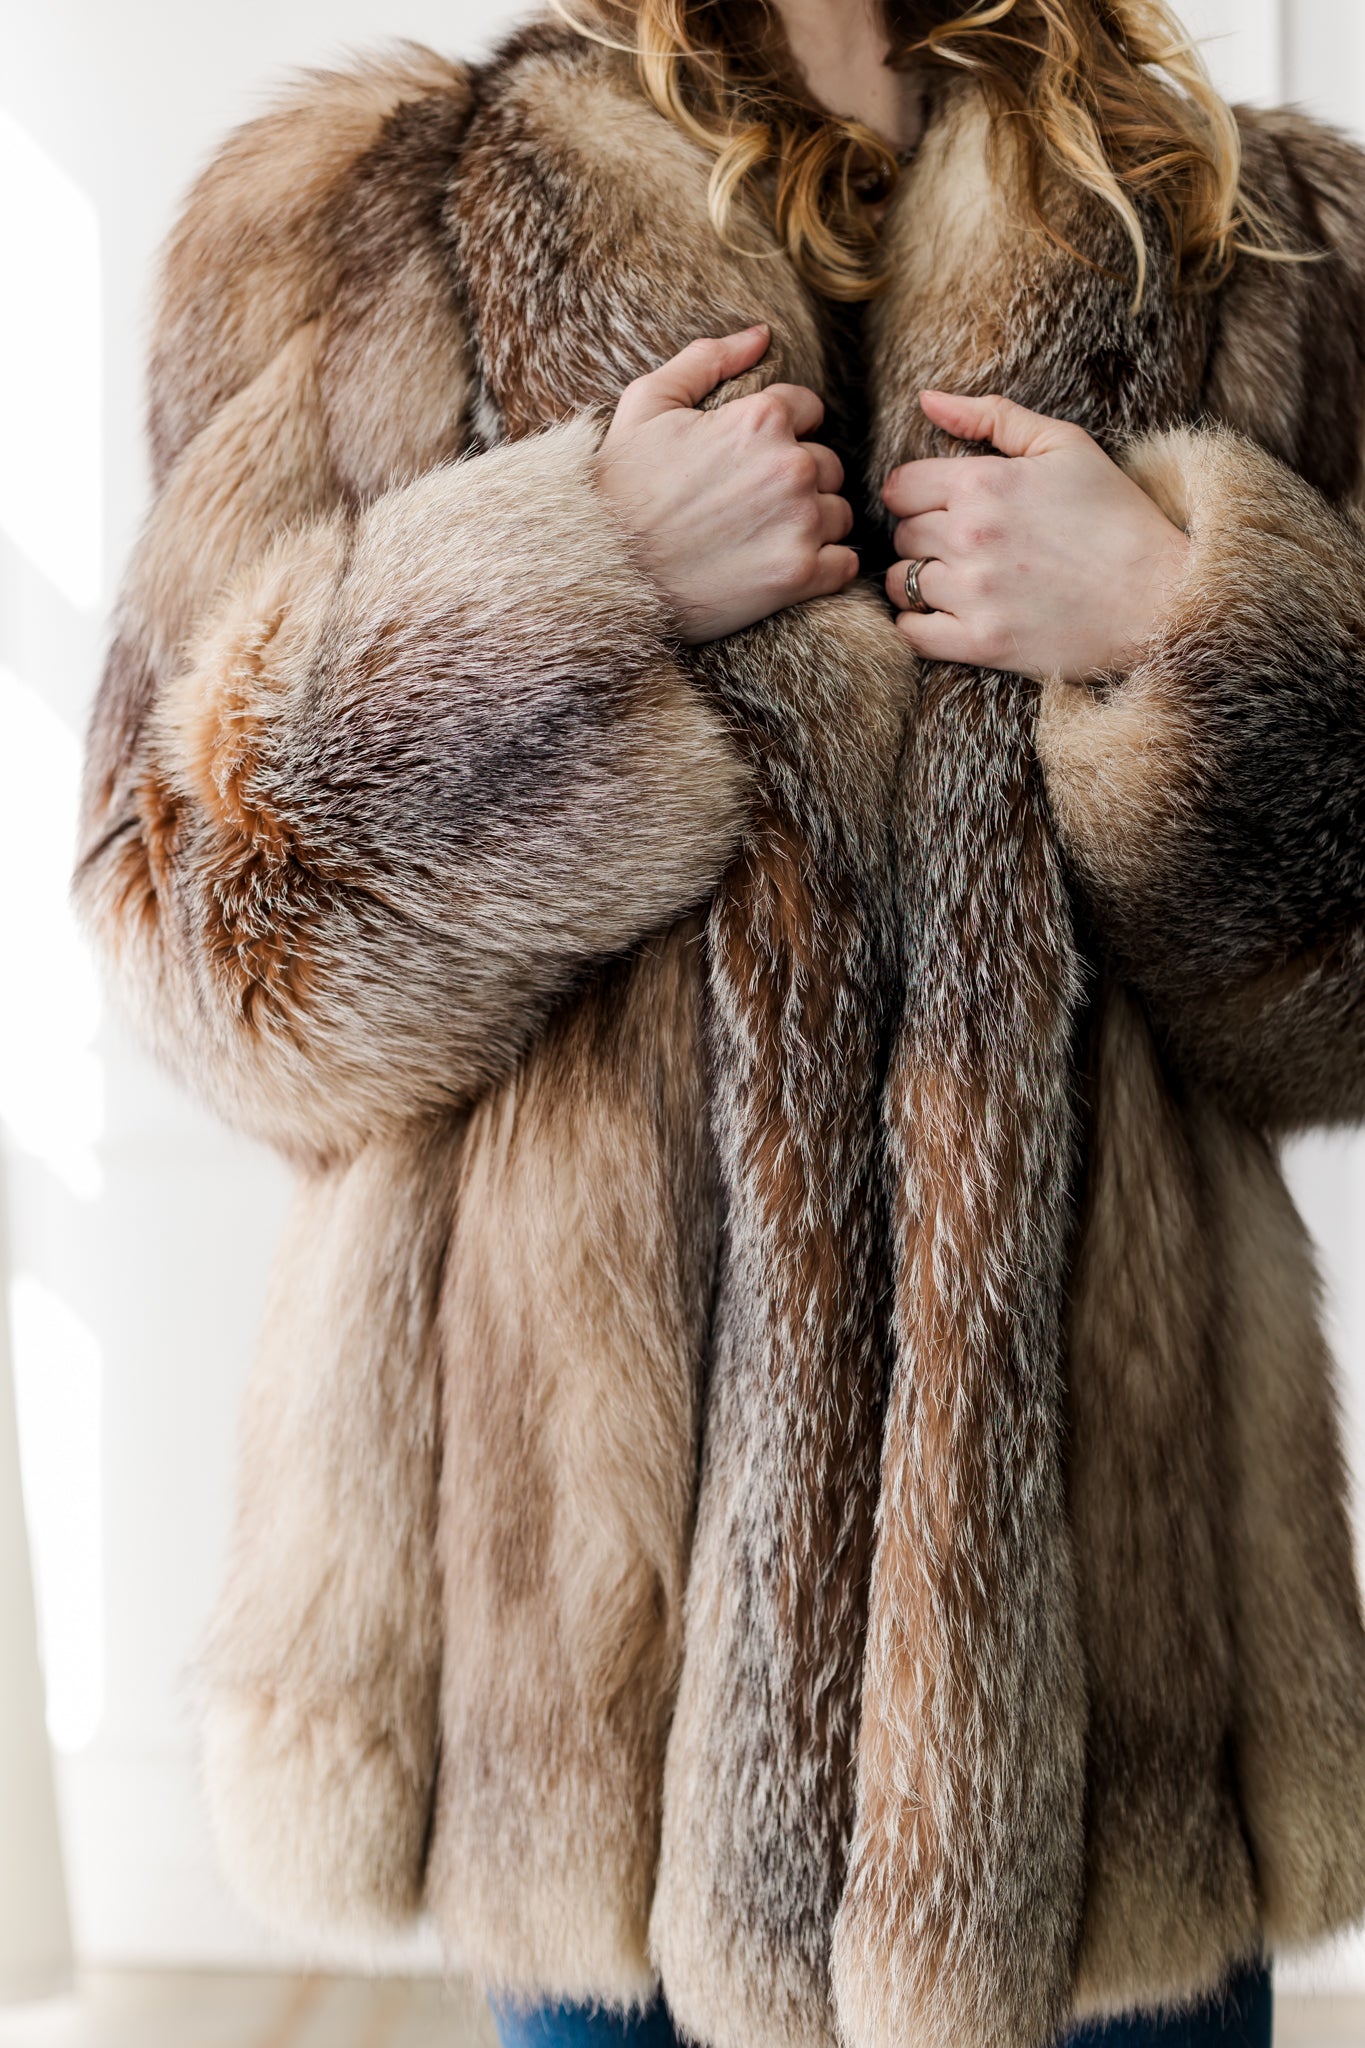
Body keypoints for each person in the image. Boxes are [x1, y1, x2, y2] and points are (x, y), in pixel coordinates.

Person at [73, 3, 1365, 2047]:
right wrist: (570, 585)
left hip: (1107, 1719)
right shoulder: (361, 217)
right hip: (599, 1706)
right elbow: (200, 928)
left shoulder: (1259, 235)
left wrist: (1176, 624)